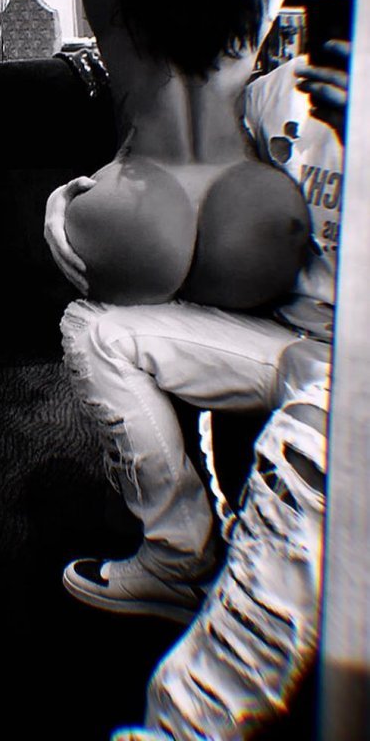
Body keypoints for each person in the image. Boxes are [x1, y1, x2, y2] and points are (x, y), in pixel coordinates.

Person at [44, 0, 331, 619]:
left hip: (146, 206)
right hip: (247, 210)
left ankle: (175, 547)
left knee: (92, 308)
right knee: (214, 331)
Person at [107, 45, 346, 739]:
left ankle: (186, 723)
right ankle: (177, 558)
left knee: (306, 441)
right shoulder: (270, 95)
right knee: (99, 329)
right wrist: (75, 212)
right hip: (281, 338)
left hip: (352, 371)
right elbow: (187, 199)